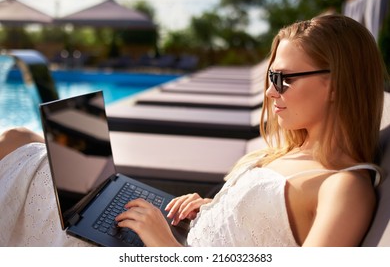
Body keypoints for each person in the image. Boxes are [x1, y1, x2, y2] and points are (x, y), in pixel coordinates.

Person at [0, 14, 386, 247]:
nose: (270, 92)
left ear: (336, 83)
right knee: (24, 139)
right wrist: (214, 209)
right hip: (175, 234)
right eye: (271, 76)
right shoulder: (292, 150)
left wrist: (165, 246)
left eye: (284, 79)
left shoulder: (344, 188)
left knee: (15, 145)